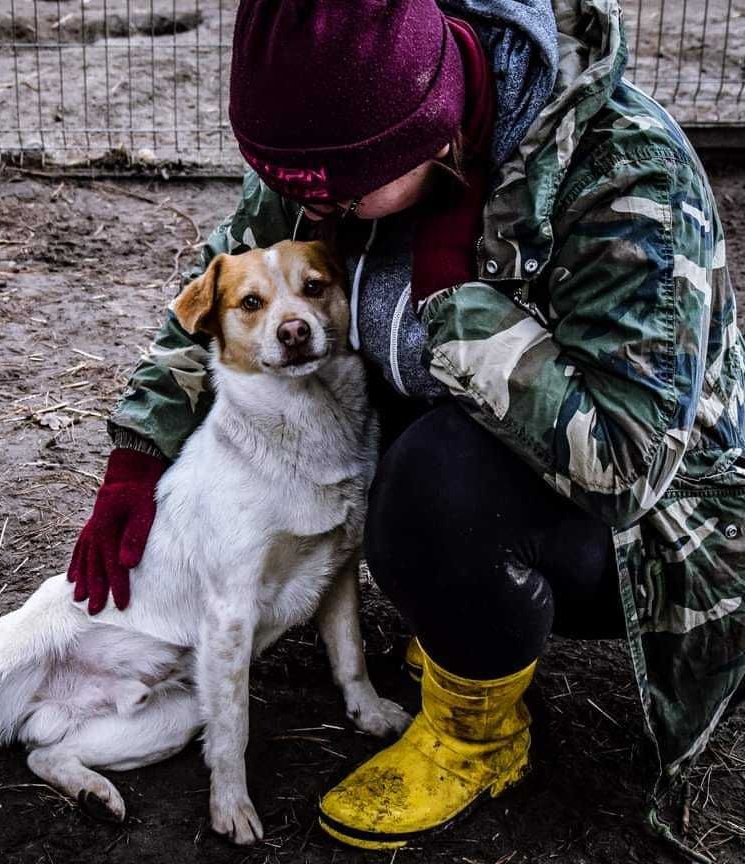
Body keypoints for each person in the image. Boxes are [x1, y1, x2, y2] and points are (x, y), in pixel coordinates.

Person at [68, 0, 745, 852]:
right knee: (335, 414)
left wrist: (455, 307)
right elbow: (227, 295)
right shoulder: (331, 157)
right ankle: (462, 609)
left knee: (431, 478)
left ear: (428, 130)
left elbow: (628, 463)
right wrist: (135, 454)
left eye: (344, 190)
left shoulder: (622, 172)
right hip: (508, 477)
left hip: (658, 538)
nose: (325, 212)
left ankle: (478, 734)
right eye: (299, 187)